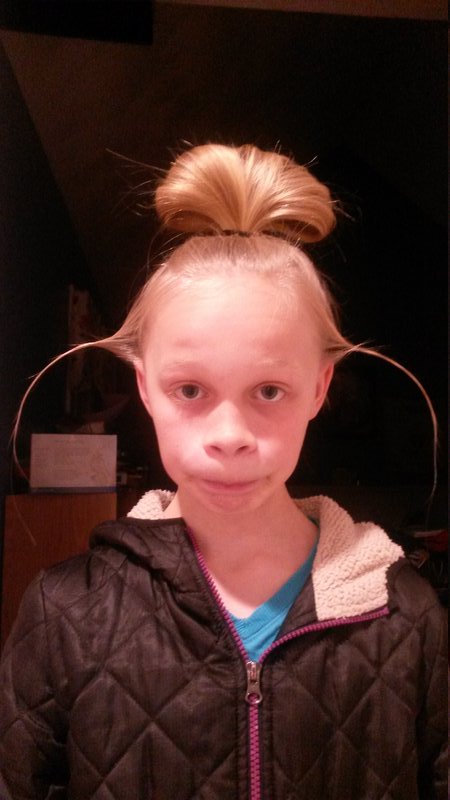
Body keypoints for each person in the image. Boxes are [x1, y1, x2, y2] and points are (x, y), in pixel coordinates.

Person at [0, 144, 446, 800]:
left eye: (269, 390)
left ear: (320, 387)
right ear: (145, 387)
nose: (230, 436)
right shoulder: (64, 613)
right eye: (190, 390)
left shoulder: (407, 616)